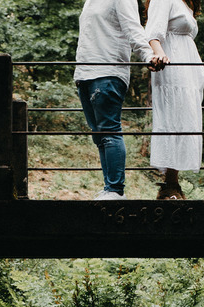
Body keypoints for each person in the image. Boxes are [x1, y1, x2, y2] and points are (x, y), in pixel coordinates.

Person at [74, 0, 166, 200]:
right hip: (85, 73)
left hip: (108, 71)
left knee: (109, 131)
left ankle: (116, 190)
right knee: (99, 136)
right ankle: (109, 188)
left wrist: (148, 55)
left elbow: (133, 28)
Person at [146, 0, 204, 200]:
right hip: (174, 69)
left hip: (189, 73)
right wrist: (159, 53)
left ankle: (173, 182)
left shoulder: (185, 3)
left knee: (183, 121)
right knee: (173, 119)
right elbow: (153, 32)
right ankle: (168, 185)